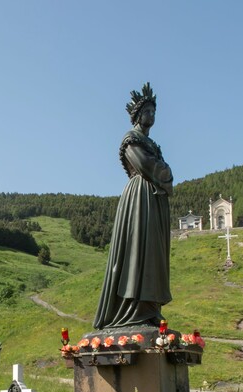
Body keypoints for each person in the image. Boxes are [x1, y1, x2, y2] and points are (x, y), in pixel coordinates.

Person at [94, 83, 173, 330]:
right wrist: (165, 173)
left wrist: (163, 174)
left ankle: (150, 308)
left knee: (153, 253)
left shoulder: (153, 143)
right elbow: (147, 165)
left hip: (155, 200)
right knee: (138, 250)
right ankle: (133, 308)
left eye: (154, 112)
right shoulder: (131, 140)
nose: (152, 116)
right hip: (140, 198)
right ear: (138, 115)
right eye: (148, 111)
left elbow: (159, 168)